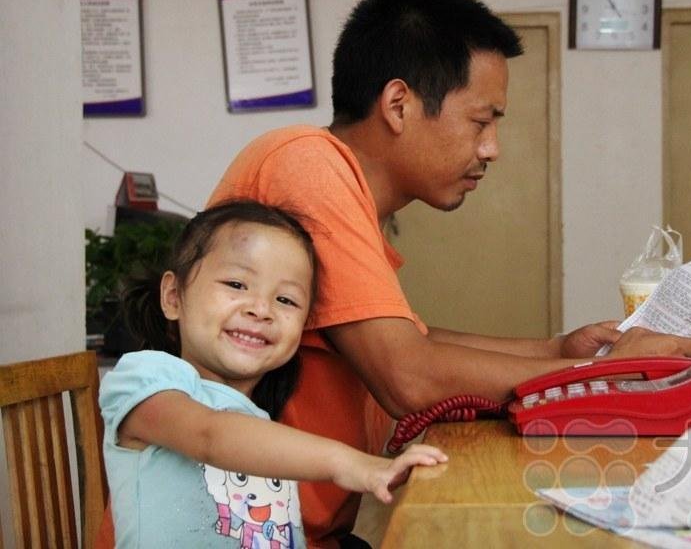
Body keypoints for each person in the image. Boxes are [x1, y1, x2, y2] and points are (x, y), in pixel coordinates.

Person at [97, 0, 691, 549]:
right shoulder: (308, 164)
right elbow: (407, 376)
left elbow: (409, 341)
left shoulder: (350, 196)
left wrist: (558, 350)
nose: (491, 149)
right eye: (482, 121)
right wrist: (592, 379)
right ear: (398, 104)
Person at [99, 201, 447, 548]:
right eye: (236, 284)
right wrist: (354, 465)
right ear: (174, 296)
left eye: (286, 300)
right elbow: (210, 436)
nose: (261, 309)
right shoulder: (145, 379)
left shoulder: (262, 426)